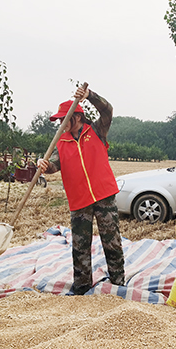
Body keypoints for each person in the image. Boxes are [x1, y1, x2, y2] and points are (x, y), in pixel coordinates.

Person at [37, 85, 125, 295]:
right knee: (80, 246)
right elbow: (54, 166)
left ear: (76, 117)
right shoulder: (62, 142)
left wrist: (90, 96)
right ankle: (82, 286)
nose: (60, 123)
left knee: (111, 241)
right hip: (79, 201)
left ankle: (119, 282)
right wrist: (44, 166)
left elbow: (108, 110)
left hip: (104, 196)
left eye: (63, 119)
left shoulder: (96, 130)